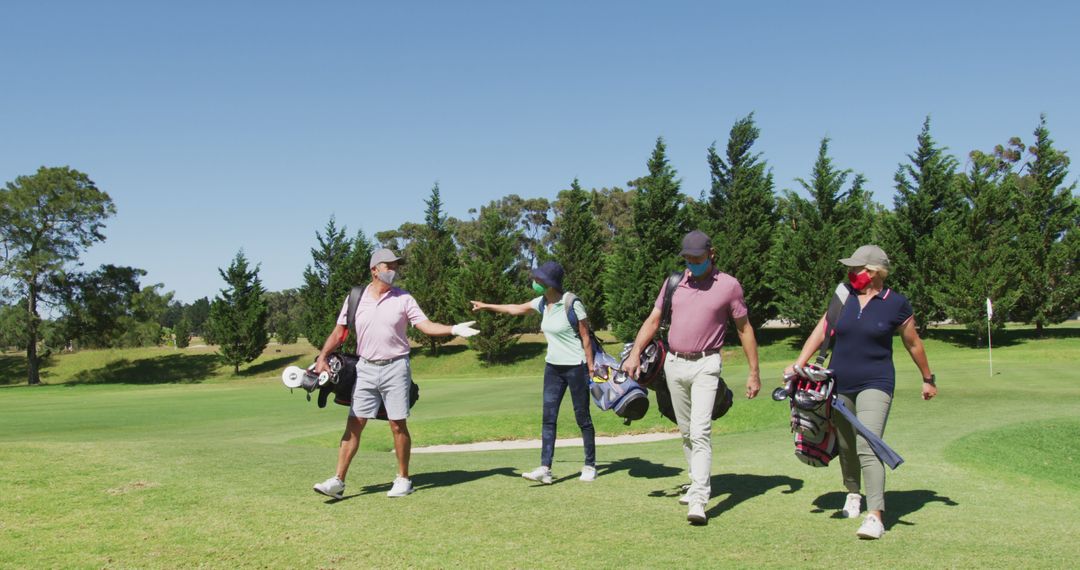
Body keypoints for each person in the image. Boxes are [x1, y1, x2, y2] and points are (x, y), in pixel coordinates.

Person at [785, 244, 936, 540]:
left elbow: (913, 343)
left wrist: (928, 378)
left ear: (875, 272)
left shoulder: (896, 303)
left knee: (869, 442)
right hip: (838, 383)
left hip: (877, 383)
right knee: (845, 443)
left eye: (859, 268)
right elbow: (822, 330)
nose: (852, 273)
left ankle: (875, 515)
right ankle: (853, 492)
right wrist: (798, 364)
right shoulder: (844, 295)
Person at [311, 248, 479, 500]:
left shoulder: (404, 298)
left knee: (397, 424)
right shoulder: (355, 297)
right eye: (388, 266)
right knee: (354, 424)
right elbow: (339, 332)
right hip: (365, 368)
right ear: (374, 270)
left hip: (396, 367)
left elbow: (425, 325)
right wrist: (322, 356)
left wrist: (453, 329)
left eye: (395, 266)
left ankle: (403, 479)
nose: (393, 270)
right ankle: (338, 481)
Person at [622, 230, 761, 524]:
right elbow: (654, 319)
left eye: (697, 259)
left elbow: (744, 329)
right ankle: (695, 479)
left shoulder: (729, 286)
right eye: (687, 259)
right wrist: (634, 353)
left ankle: (698, 498)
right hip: (673, 363)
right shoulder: (674, 283)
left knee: (700, 431)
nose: (692, 264)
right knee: (686, 431)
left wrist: (754, 372)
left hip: (706, 364)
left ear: (711, 254)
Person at [470, 260, 598, 484]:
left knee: (582, 417)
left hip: (576, 367)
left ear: (550, 283)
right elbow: (515, 309)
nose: (535, 282)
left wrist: (590, 367)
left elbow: (586, 337)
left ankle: (590, 465)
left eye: (539, 279)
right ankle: (545, 468)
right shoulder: (541, 302)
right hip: (553, 368)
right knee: (548, 418)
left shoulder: (571, 302)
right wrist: (486, 306)